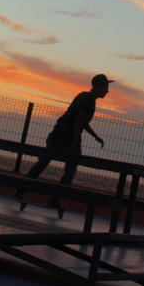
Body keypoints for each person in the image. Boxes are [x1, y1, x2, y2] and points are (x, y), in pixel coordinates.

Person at [20, 74, 111, 207]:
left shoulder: (82, 95)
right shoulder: (90, 101)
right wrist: (74, 144)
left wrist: (95, 136)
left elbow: (80, 120)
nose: (107, 91)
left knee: (43, 162)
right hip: (67, 139)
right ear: (97, 86)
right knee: (70, 169)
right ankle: (55, 199)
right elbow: (79, 123)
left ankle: (21, 188)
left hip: (57, 134)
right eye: (105, 87)